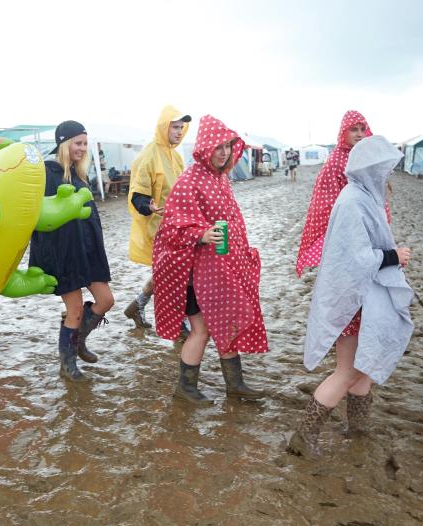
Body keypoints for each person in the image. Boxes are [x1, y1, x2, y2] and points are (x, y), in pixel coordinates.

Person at [286, 136, 414, 457]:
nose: (387, 175)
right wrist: (393, 257)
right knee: (349, 370)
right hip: (354, 302)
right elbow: (355, 259)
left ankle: (357, 429)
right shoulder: (353, 201)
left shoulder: (365, 198)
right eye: (383, 169)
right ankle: (304, 434)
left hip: (365, 298)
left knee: (364, 367)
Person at [152, 114, 267, 403]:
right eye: (218, 146)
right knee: (201, 331)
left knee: (227, 323)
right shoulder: (189, 181)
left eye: (228, 146)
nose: (224, 151)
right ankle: (186, 386)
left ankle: (235, 383)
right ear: (205, 147)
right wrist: (201, 235)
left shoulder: (221, 178)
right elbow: (171, 227)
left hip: (222, 269)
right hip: (194, 273)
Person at [29, 120, 114, 381]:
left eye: (85, 144)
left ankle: (77, 342)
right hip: (63, 252)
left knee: (106, 300)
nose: (82, 148)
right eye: (77, 143)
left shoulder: (79, 174)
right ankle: (68, 365)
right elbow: (37, 217)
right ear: (63, 144)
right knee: (75, 310)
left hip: (87, 250)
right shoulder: (47, 173)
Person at [123, 105, 191, 330]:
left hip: (178, 227)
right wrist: (147, 206)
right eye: (175, 127)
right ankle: (180, 322)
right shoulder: (149, 155)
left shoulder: (176, 157)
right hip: (158, 228)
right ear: (164, 127)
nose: (179, 132)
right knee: (174, 274)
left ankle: (138, 305)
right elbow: (137, 192)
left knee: (169, 272)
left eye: (182, 127)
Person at [295, 110, 373, 276]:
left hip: (369, 225)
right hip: (349, 229)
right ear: (344, 132)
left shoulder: (366, 156)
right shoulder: (336, 161)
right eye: (354, 129)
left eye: (362, 129)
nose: (360, 134)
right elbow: (327, 205)